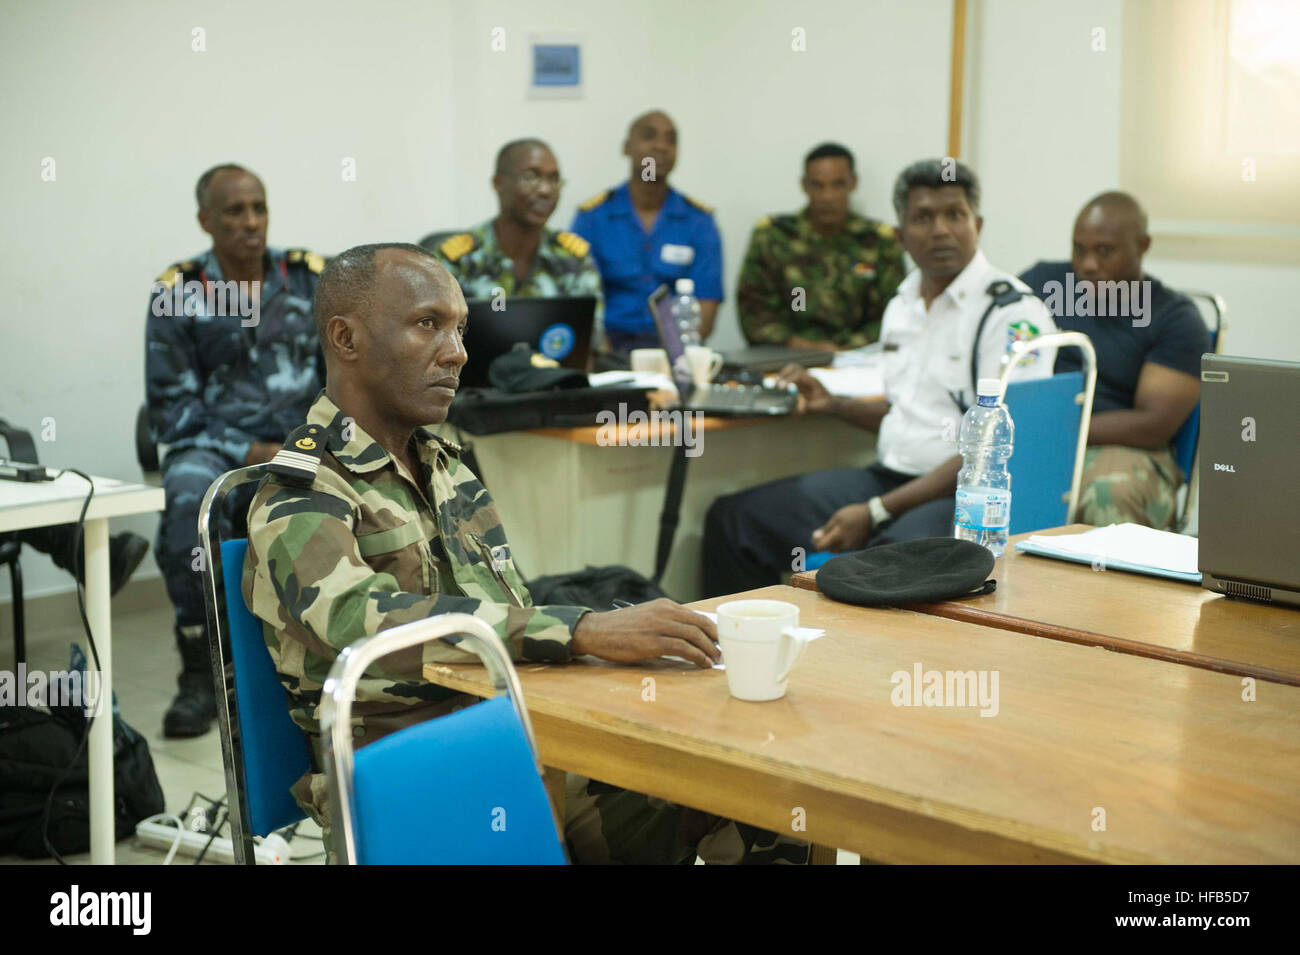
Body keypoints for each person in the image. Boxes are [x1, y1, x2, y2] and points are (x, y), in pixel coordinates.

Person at [241, 242, 807, 865]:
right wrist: (584, 629)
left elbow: (509, 619)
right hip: (417, 779)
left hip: (517, 745)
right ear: (345, 339)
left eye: (460, 329)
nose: (456, 352)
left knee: (764, 792)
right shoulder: (304, 488)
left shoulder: (445, 468)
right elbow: (357, 620)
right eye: (427, 324)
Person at [703, 159, 1058, 598]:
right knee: (735, 519)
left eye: (955, 214)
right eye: (923, 218)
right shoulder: (902, 304)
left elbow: (989, 451)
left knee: (883, 567)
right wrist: (834, 405)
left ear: (977, 224)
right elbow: (903, 411)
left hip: (958, 499)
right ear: (901, 235)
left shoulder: (1011, 314)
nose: (941, 230)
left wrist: (874, 512)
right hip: (888, 478)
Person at [144, 163, 324, 738]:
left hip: (304, 441)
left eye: (259, 208)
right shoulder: (178, 293)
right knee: (188, 499)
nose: (251, 222)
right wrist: (250, 448)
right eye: (234, 211)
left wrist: (311, 442)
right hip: (215, 446)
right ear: (205, 220)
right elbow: (170, 408)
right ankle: (201, 668)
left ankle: (326, 655)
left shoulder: (309, 279)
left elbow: (343, 378)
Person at [1020, 192, 1208, 529]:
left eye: (1104, 251)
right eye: (1079, 249)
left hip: (1124, 448)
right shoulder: (1043, 284)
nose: (1089, 264)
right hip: (1035, 433)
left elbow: (1152, 425)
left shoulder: (1174, 318)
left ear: (1142, 245)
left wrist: (1056, 431)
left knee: (1108, 495)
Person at [570, 110, 723, 352]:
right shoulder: (592, 218)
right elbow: (582, 301)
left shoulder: (699, 221)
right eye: (649, 136)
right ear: (626, 148)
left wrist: (677, 361)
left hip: (675, 351)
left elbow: (707, 304)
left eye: (671, 140)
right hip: (609, 348)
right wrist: (609, 360)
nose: (661, 147)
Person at [430, 138, 605, 348]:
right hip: (472, 379)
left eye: (554, 179)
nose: (545, 190)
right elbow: (433, 341)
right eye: (531, 177)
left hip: (555, 377)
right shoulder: (458, 259)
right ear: (498, 183)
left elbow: (592, 340)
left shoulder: (572, 257)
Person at [737, 143, 906, 349]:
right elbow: (753, 308)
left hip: (858, 361)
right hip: (785, 356)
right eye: (818, 185)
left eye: (838, 184)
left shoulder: (879, 241)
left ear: (853, 183)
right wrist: (800, 346)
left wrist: (845, 349)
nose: (828, 197)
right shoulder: (774, 236)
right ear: (804, 185)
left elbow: (895, 311)